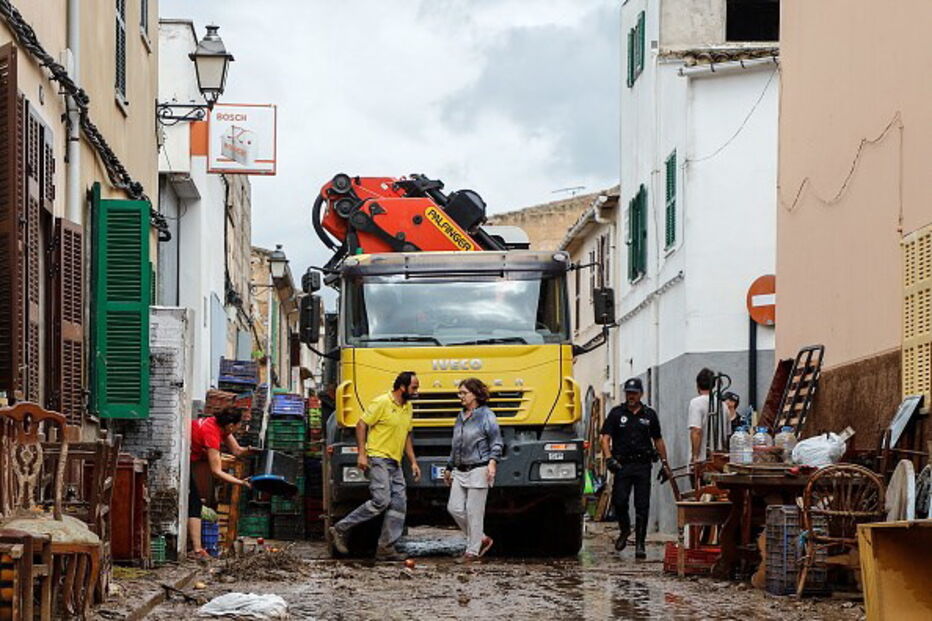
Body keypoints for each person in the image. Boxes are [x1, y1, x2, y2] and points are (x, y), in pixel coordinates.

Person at [329, 371, 422, 561]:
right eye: (414, 388)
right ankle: (340, 528)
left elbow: (406, 436)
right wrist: (362, 454)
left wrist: (413, 461)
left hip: (395, 462)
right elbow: (361, 424)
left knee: (399, 504)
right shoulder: (382, 402)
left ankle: (386, 548)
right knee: (381, 500)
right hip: (378, 459)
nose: (417, 392)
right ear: (402, 387)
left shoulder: (407, 407)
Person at [600, 377, 669, 559]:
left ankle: (640, 544)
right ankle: (624, 529)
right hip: (622, 465)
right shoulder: (616, 414)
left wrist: (665, 463)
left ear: (641, 394)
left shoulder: (649, 415)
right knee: (620, 501)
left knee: (642, 505)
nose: (631, 396)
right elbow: (605, 438)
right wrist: (609, 459)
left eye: (634, 393)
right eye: (629, 393)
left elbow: (658, 440)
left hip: (642, 465)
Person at [443, 378, 503, 562]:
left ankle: (472, 551)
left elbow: (496, 441)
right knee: (454, 508)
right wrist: (449, 466)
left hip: (479, 468)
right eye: (459, 393)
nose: (459, 396)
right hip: (460, 470)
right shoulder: (460, 416)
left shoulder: (487, 415)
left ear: (475, 394)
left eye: (463, 393)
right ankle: (482, 538)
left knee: (473, 511)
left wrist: (492, 463)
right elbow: (456, 444)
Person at [188, 406, 252, 560]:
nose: (240, 428)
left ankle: (196, 548)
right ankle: (197, 550)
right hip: (181, 460)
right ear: (231, 425)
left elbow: (237, 450)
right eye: (239, 425)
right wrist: (240, 482)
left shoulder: (219, 424)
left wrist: (250, 450)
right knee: (194, 504)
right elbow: (216, 471)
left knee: (193, 502)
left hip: (190, 460)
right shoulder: (212, 434)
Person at [688, 368, 715, 463]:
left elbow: (696, 431)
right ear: (713, 386)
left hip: (703, 460)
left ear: (697, 385)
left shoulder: (696, 403)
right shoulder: (723, 405)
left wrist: (695, 456)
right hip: (719, 459)